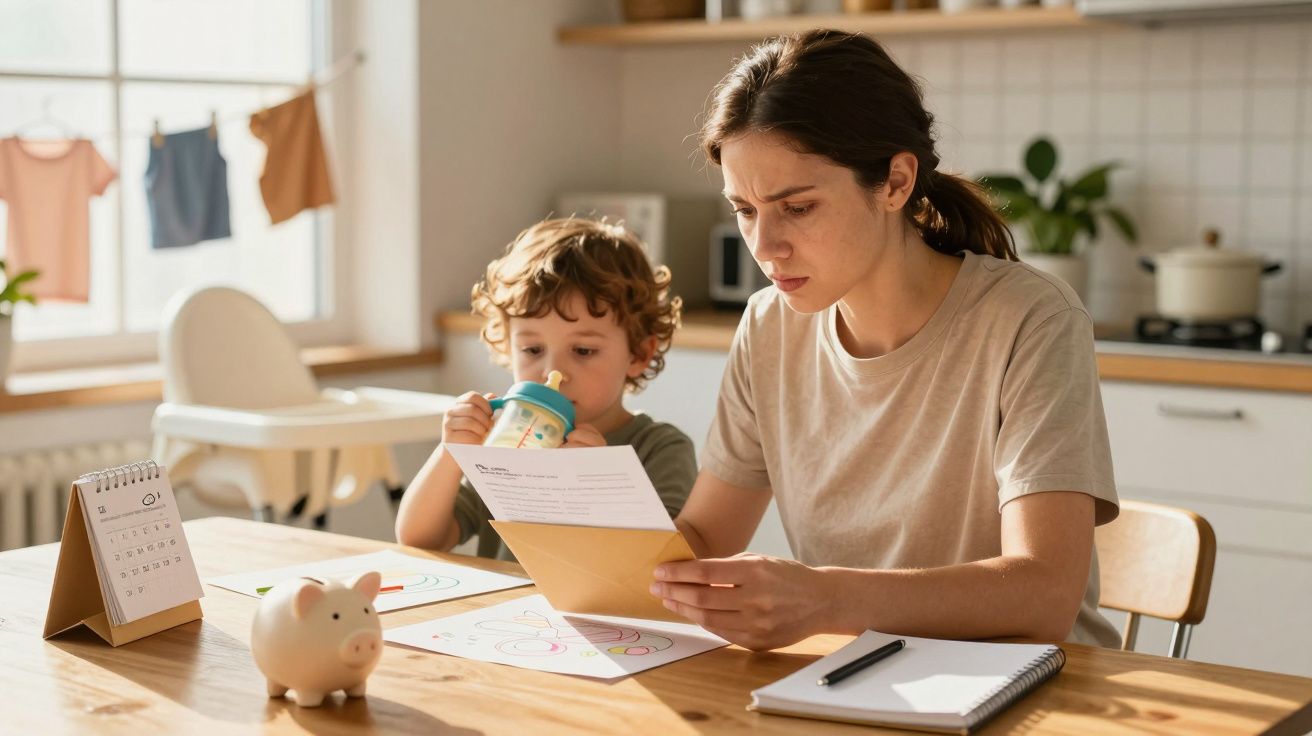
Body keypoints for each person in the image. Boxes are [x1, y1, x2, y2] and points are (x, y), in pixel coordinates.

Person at [648, 29, 1122, 652]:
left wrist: (824, 599)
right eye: (745, 209)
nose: (764, 247)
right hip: (860, 679)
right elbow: (704, 541)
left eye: (798, 206)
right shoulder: (769, 325)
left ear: (896, 183)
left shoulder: (1030, 318)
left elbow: (1043, 595)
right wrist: (563, 497)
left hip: (1035, 690)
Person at [396, 217, 697, 561]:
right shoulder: (507, 442)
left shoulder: (659, 449)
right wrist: (451, 455)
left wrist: (599, 485)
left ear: (639, 354)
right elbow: (420, 539)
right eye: (532, 350)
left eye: (583, 351)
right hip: (502, 614)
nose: (553, 372)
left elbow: (663, 565)